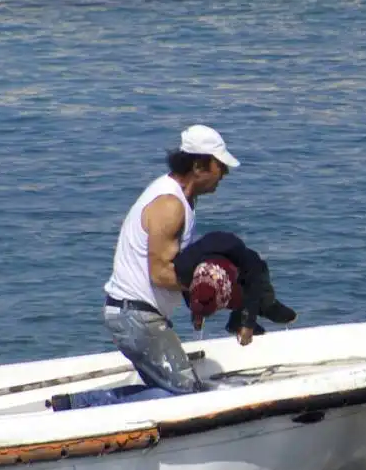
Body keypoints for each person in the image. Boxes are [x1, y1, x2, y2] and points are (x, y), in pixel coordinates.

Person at [48, 124, 241, 411]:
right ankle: (79, 407)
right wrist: (213, 287)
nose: (224, 174)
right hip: (135, 316)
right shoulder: (170, 205)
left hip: (134, 313)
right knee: (185, 397)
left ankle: (73, 405)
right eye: (220, 166)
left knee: (166, 391)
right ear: (200, 165)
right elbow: (161, 274)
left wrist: (197, 302)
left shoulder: (180, 197)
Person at [172, 230, 297, 341]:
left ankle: (266, 307)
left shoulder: (244, 261)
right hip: (205, 262)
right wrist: (196, 313)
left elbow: (254, 286)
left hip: (238, 260)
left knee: (256, 286)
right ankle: (242, 317)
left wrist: (248, 324)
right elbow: (189, 291)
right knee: (205, 295)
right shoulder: (184, 267)